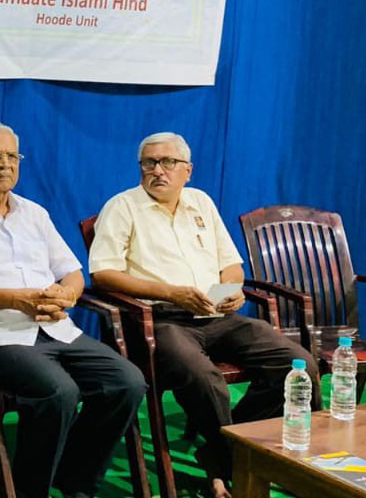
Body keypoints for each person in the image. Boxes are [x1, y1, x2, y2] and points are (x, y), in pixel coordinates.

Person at [89, 131, 320, 498]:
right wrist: (171, 292)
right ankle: (229, 466)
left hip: (217, 314)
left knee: (299, 366)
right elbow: (103, 274)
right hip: (160, 320)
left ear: (188, 170)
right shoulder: (122, 207)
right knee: (204, 379)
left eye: (168, 162)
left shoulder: (201, 202)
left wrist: (232, 291)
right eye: (149, 163)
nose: (158, 170)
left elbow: (232, 265)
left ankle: (225, 452)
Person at [0, 121, 146, 498]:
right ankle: (31, 490)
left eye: (12, 156)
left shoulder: (34, 213)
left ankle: (74, 481)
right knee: (58, 392)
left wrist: (68, 295)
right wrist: (15, 299)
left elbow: (72, 271)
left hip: (55, 328)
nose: (5, 164)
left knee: (127, 382)